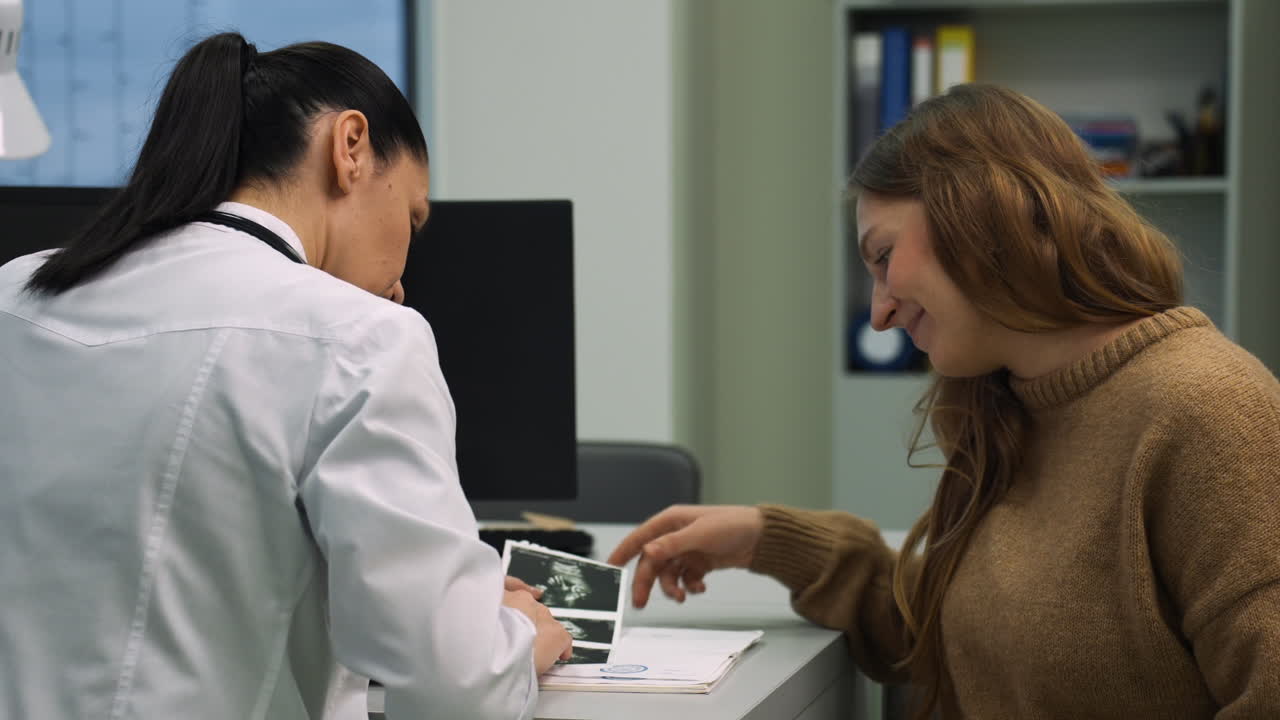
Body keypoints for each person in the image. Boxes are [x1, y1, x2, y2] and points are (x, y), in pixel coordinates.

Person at [610, 84, 1280, 719]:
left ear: (983, 215)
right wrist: (767, 540)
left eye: (883, 257)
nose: (878, 315)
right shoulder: (1009, 402)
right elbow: (955, 635)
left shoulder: (1211, 411)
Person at [0, 33, 571, 720]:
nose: (402, 277)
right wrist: (511, 640)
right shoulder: (359, 337)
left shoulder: (14, 292)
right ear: (350, 146)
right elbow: (457, 682)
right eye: (412, 219)